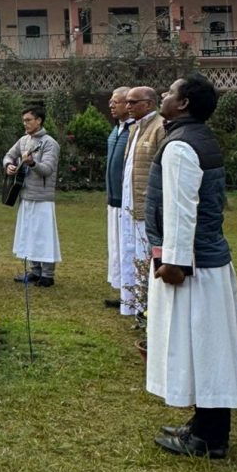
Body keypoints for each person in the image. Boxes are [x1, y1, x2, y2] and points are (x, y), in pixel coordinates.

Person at [147, 74, 237, 460]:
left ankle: (210, 439)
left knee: (205, 348)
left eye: (170, 91)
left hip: (194, 265)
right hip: (205, 261)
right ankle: (203, 425)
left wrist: (174, 262)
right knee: (204, 346)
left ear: (183, 104)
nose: (164, 94)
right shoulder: (196, 137)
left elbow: (180, 210)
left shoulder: (180, 145)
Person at [4, 106, 61, 287]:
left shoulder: (49, 143)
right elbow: (8, 156)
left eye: (28, 120)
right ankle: (35, 271)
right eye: (24, 120)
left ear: (39, 120)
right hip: (25, 194)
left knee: (44, 237)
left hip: (42, 197)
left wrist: (32, 163)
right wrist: (8, 165)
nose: (25, 123)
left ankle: (48, 274)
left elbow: (48, 169)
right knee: (29, 235)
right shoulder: (23, 140)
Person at [119, 86, 164, 319]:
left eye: (133, 102)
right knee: (132, 254)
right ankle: (135, 304)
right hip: (130, 203)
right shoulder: (134, 128)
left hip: (147, 205)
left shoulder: (160, 127)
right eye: (126, 102)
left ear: (149, 104)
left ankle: (149, 309)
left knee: (146, 255)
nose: (128, 106)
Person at [105, 86, 133, 308]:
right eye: (111, 102)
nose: (112, 105)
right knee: (116, 247)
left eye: (116, 102)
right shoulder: (117, 130)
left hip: (128, 201)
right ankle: (123, 290)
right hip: (113, 199)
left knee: (128, 247)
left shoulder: (134, 130)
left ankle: (132, 294)